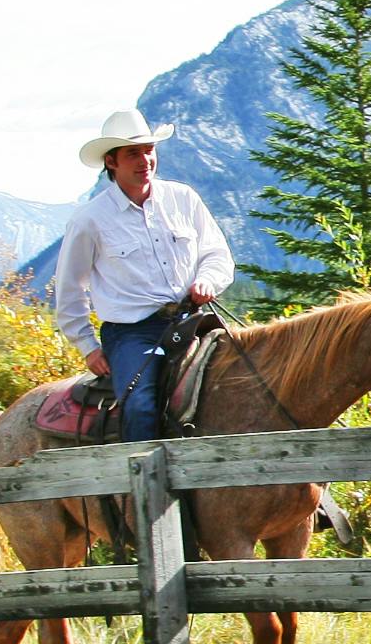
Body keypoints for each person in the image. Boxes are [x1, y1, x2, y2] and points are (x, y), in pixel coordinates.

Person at [53, 112, 235, 442]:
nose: (145, 160)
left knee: (249, 376)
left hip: (193, 318)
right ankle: (144, 488)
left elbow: (216, 254)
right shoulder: (89, 220)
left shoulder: (183, 199)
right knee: (140, 406)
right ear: (111, 162)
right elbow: (69, 291)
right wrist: (88, 347)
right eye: (133, 154)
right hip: (133, 334)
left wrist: (208, 279)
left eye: (149, 150)